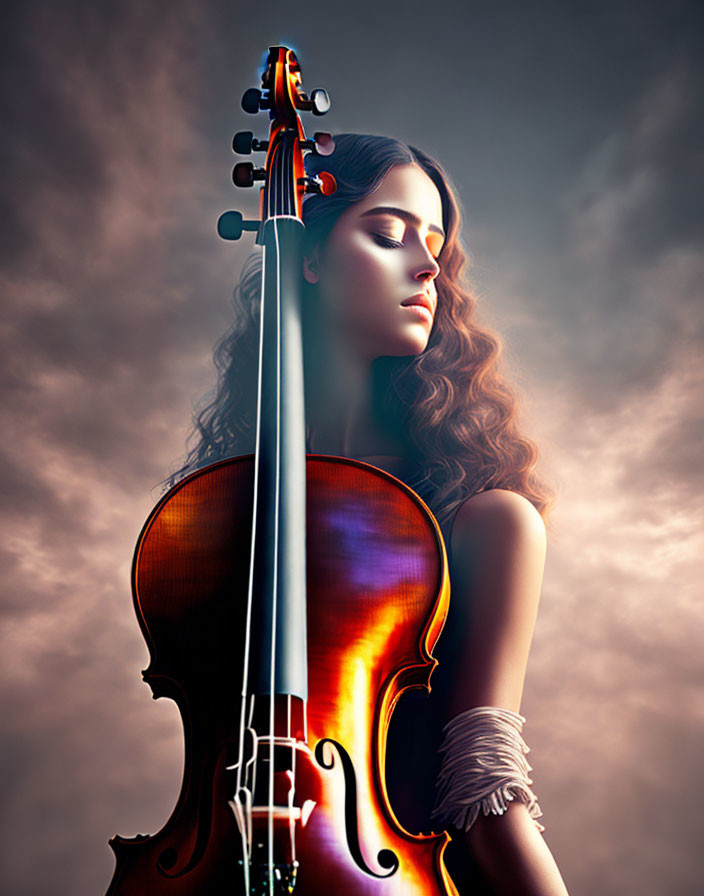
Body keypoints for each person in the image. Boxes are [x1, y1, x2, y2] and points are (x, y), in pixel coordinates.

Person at [169, 134, 570, 895]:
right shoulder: (223, 508)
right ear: (307, 254)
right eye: (389, 235)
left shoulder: (487, 523)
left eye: (435, 247)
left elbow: (485, 794)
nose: (426, 268)